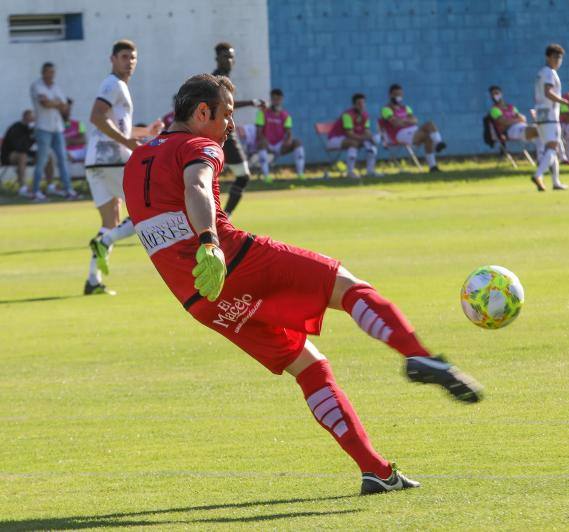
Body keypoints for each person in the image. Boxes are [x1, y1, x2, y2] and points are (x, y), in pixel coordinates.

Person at [123, 73, 483, 494]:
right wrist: (209, 242)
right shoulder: (198, 146)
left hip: (200, 301)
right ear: (202, 113)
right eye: (226, 115)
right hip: (235, 260)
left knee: (310, 367)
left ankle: (377, 471)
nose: (231, 127)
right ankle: (421, 356)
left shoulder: (135, 163)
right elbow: (197, 186)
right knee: (349, 287)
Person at [84, 40, 163, 296]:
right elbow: (97, 116)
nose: (130, 61)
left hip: (95, 162)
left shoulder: (117, 86)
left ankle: (92, 281)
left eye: (133, 57)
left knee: (111, 221)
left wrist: (145, 132)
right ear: (113, 59)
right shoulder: (113, 84)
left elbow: (117, 127)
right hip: (114, 160)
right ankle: (105, 242)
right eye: (124, 56)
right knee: (144, 211)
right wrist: (127, 142)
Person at [212, 42, 265, 214]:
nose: (229, 59)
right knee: (241, 176)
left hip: (223, 133)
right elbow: (225, 105)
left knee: (211, 178)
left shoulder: (223, 77)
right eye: (225, 56)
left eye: (231, 56)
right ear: (217, 59)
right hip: (222, 133)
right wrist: (252, 102)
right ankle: (223, 218)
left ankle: (220, 218)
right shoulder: (218, 79)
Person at [29, 62, 78, 201]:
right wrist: (57, 103)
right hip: (43, 128)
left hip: (58, 128)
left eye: (53, 72)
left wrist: (55, 103)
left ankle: (68, 190)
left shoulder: (56, 87)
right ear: (43, 72)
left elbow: (65, 107)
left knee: (62, 160)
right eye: (49, 72)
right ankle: (36, 192)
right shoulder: (37, 86)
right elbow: (45, 103)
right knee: (42, 161)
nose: (51, 74)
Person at [380, 84, 446, 172]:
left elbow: (415, 120)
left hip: (413, 130)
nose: (398, 97)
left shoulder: (406, 108)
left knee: (429, 134)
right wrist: (407, 121)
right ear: (391, 95)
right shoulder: (386, 109)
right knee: (429, 125)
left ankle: (433, 166)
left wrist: (403, 121)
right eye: (396, 95)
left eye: (400, 95)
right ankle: (438, 143)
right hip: (399, 134)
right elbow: (395, 123)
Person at [532, 44, 569, 192]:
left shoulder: (542, 72)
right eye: (555, 57)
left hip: (541, 112)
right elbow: (548, 92)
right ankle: (538, 175)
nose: (558, 60)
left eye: (560, 58)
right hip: (549, 114)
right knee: (553, 147)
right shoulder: (549, 73)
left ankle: (556, 181)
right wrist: (564, 102)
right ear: (547, 57)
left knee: (551, 147)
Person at [254, 88, 305, 178]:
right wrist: (263, 139)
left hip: (280, 145)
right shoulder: (262, 113)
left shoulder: (286, 115)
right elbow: (259, 132)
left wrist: (288, 140)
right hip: (267, 144)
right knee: (261, 144)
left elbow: (289, 132)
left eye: (278, 99)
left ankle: (300, 174)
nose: (276, 101)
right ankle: (266, 176)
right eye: (274, 99)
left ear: (282, 100)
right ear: (271, 99)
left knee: (297, 142)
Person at [328, 93, 381, 179]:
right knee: (353, 143)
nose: (361, 105)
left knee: (370, 144)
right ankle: (350, 172)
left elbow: (366, 131)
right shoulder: (347, 115)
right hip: (335, 139)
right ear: (354, 105)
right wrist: (364, 138)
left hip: (351, 139)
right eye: (359, 103)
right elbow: (349, 133)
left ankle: (370, 171)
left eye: (363, 103)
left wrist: (372, 138)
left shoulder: (365, 115)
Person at [1, 110, 36, 196]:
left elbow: (28, 146)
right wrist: (31, 138)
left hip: (24, 153)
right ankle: (23, 187)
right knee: (22, 156)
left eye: (33, 118)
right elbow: (17, 147)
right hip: (8, 155)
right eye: (31, 117)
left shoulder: (31, 130)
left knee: (46, 156)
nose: (33, 120)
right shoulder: (15, 128)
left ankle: (45, 186)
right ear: (25, 117)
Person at [62, 98, 87, 163]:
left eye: (69, 109)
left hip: (81, 150)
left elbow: (84, 140)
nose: (68, 111)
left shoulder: (79, 123)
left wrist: (69, 141)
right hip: (67, 152)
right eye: (66, 109)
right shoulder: (56, 126)